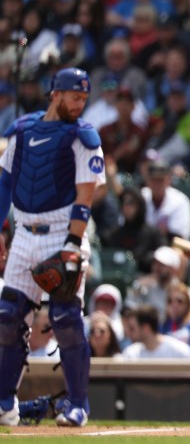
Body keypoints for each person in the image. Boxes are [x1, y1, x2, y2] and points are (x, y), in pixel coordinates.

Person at [0, 67, 105, 427]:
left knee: (65, 317)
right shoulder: (22, 130)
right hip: (24, 233)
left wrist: (73, 244)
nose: (80, 104)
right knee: (8, 316)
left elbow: (85, 195)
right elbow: (4, 183)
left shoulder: (83, 136)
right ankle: (4, 403)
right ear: (56, 94)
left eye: (83, 99)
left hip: (63, 231)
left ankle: (78, 404)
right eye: (75, 97)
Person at [121, 305, 190, 359]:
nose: (128, 333)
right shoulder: (130, 354)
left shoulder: (180, 352)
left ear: (145, 328)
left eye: (132, 328)